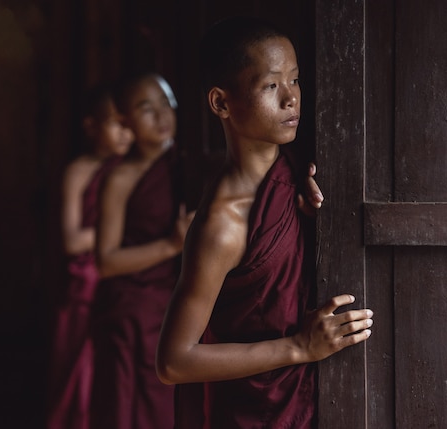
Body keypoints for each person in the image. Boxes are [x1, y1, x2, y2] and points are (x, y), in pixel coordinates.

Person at [155, 16, 373, 428]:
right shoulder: (223, 223)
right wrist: (299, 348)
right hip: (256, 413)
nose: (292, 98)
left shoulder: (298, 169)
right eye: (271, 86)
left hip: (318, 400)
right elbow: (174, 361)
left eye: (295, 80)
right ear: (221, 103)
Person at [90, 72, 193, 429]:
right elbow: (105, 262)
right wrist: (172, 245)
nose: (162, 115)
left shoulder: (190, 164)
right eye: (146, 108)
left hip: (177, 301)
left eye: (166, 103)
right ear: (125, 121)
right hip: (131, 308)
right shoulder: (121, 178)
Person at [46, 83, 134, 429]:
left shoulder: (135, 170)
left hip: (123, 279)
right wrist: (120, 234)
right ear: (91, 126)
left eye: (130, 123)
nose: (126, 132)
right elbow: (71, 239)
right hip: (85, 285)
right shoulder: (79, 171)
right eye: (116, 123)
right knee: (78, 377)